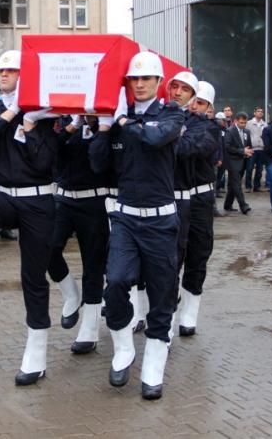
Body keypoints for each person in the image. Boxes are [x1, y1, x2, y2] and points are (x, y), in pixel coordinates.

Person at [90, 51, 186, 400]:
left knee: (162, 294)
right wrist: (103, 127)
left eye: (146, 78)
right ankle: (123, 347)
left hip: (161, 219)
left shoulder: (171, 114)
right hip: (126, 217)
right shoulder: (118, 117)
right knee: (115, 282)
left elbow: (156, 138)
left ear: (159, 83)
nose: (140, 83)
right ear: (127, 83)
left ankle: (154, 365)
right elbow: (99, 164)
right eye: (134, 78)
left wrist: (124, 124)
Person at [0, 49, 58, 387]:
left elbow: (45, 162)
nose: (3, 75)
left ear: (25, 74)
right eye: (0, 70)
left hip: (38, 200)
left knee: (33, 277)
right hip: (3, 195)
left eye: (11, 71)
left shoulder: (44, 112)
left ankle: (36, 352)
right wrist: (12, 113)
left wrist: (30, 125)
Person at [47, 113, 114, 354]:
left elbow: (100, 162)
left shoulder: (108, 127)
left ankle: (90, 329)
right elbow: (53, 153)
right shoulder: (68, 122)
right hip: (63, 199)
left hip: (94, 202)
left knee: (93, 266)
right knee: (48, 249)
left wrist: (99, 126)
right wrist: (74, 125)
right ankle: (72, 295)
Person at [175, 81, 221, 337]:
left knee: (198, 251)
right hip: (176, 197)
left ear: (209, 108)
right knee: (172, 254)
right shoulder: (175, 119)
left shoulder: (211, 128)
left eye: (200, 103)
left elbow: (193, 149)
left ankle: (190, 309)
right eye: (192, 101)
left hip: (200, 197)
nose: (193, 107)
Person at [223, 112, 252, 214]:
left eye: (245, 123)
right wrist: (242, 151)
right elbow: (227, 147)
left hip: (243, 161)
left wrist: (248, 152)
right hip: (232, 161)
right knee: (236, 184)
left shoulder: (247, 132)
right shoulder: (230, 131)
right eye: (241, 122)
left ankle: (227, 204)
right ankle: (243, 205)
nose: (243, 125)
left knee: (232, 184)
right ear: (235, 121)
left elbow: (248, 145)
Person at [244, 107, 266, 192]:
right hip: (252, 149)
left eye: (261, 112)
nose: (260, 113)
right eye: (258, 111)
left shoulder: (264, 124)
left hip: (261, 149)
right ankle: (248, 186)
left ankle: (257, 186)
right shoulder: (249, 123)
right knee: (249, 168)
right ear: (254, 113)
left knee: (259, 169)